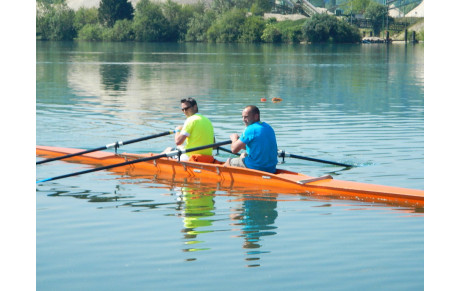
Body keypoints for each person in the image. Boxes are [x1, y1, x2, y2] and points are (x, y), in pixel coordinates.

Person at [224, 105, 278, 173]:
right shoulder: (268, 127)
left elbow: (234, 150)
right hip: (271, 168)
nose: (243, 120)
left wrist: (234, 139)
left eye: (246, 117)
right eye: (242, 117)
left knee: (229, 161)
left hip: (257, 168)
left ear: (256, 116)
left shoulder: (250, 129)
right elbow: (257, 146)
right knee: (243, 155)